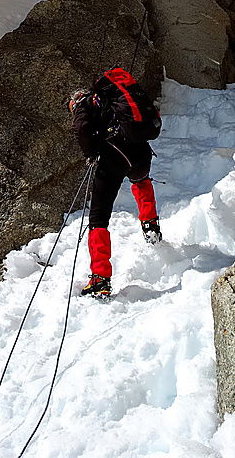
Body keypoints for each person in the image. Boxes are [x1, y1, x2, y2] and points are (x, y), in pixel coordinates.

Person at [69, 68, 162, 300]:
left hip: (116, 155)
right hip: (141, 152)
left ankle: (100, 279)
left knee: (98, 217)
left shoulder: (84, 104)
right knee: (140, 181)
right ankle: (150, 225)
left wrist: (91, 153)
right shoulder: (112, 98)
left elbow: (82, 129)